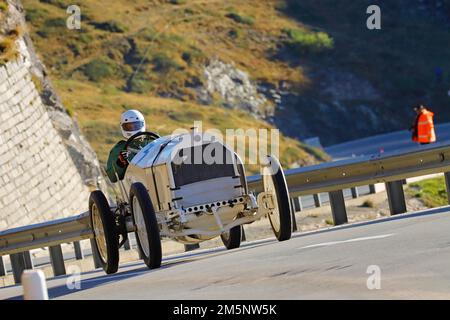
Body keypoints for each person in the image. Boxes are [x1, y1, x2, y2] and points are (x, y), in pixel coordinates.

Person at [106, 110, 155, 183]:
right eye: (128, 127)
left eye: (136, 125)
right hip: (135, 185)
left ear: (142, 124)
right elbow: (112, 177)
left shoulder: (154, 141)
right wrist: (120, 163)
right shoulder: (119, 149)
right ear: (122, 127)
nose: (132, 128)